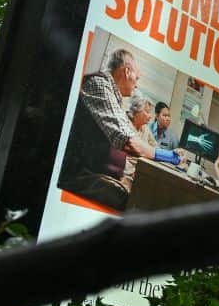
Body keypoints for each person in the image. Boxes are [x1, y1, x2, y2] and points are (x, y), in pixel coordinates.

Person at [58, 49, 157, 211]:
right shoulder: (99, 84)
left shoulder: (113, 95)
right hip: (82, 174)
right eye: (136, 78)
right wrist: (167, 157)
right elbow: (130, 142)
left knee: (140, 193)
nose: (137, 84)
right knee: (135, 203)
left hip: (100, 173)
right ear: (126, 72)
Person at [124, 96, 181, 179]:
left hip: (140, 170)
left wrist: (173, 152)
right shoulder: (125, 124)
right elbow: (139, 151)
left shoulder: (145, 128)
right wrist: (171, 156)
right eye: (147, 112)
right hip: (128, 172)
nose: (150, 116)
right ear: (136, 112)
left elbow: (155, 148)